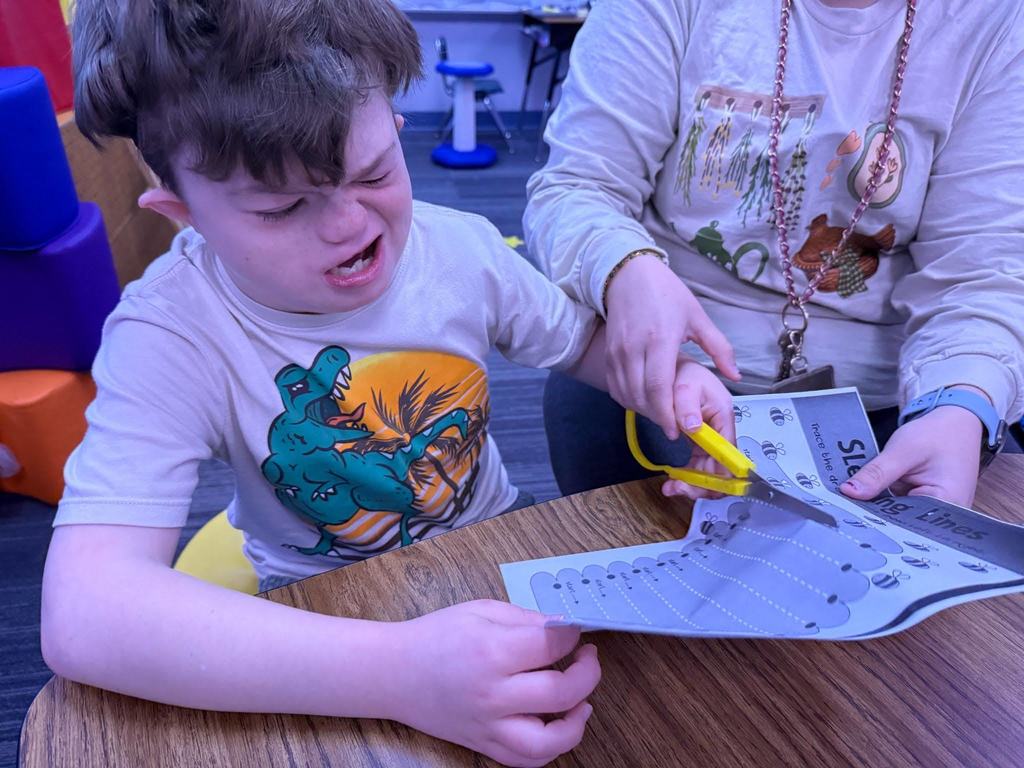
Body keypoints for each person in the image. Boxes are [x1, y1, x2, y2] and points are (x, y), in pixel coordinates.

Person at [40, 1, 733, 765]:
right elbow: (84, 613)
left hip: (496, 558)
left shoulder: (462, 250)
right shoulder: (170, 332)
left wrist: (674, 385)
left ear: (396, 130)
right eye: (279, 209)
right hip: (332, 621)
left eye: (372, 173)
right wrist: (399, 673)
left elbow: (583, 348)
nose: (348, 226)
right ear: (183, 214)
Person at [525, 0, 1024, 507]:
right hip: (666, 380)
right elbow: (577, 188)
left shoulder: (996, 23)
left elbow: (983, 271)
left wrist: (959, 403)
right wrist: (625, 266)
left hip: (890, 408)